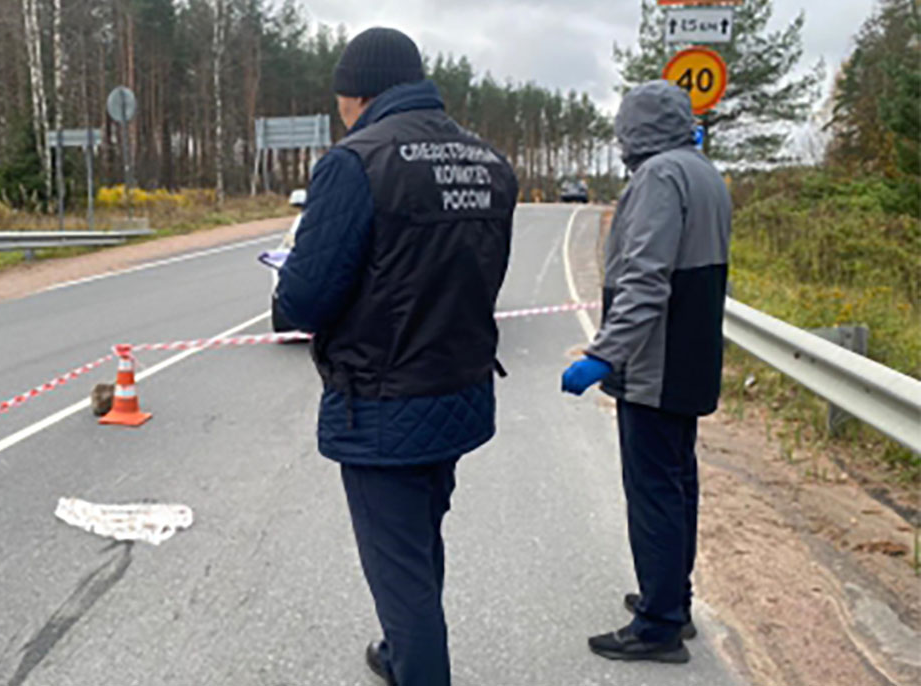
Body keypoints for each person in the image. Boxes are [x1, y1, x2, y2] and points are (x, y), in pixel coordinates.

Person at [274, 27, 518, 686]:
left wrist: (286, 279)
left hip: (382, 401)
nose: (340, 114)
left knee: (399, 568)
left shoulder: (355, 162)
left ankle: (414, 660)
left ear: (356, 94)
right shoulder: (489, 162)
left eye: (340, 102)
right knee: (418, 543)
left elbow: (305, 300)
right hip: (460, 390)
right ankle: (401, 650)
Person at [561, 79, 732, 664]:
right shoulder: (705, 173)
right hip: (692, 356)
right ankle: (671, 600)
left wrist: (604, 353)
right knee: (679, 484)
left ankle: (658, 625)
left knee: (653, 490)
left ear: (635, 131)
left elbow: (644, 278)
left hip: (653, 364)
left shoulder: (658, 178)